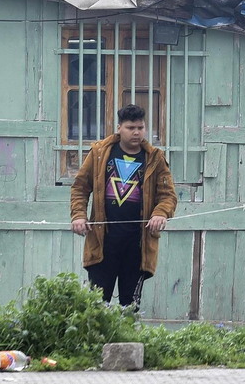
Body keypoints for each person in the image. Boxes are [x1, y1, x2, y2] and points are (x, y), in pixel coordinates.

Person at [69, 104, 178, 309]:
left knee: (131, 307)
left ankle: (130, 341)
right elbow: (80, 187)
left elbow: (168, 196)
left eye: (140, 127)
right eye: (130, 127)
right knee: (97, 305)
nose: (136, 132)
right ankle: (98, 342)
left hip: (138, 244)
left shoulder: (155, 158)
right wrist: (78, 216)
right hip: (103, 241)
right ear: (119, 128)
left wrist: (160, 214)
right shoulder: (100, 153)